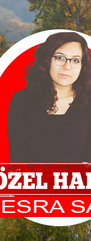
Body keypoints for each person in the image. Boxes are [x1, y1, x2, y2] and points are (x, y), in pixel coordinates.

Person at [7, 31, 91, 162]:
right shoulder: (21, 101)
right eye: (60, 57)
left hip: (78, 182)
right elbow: (17, 160)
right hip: (30, 181)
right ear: (47, 60)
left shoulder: (88, 103)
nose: (67, 66)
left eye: (75, 60)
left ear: (82, 66)